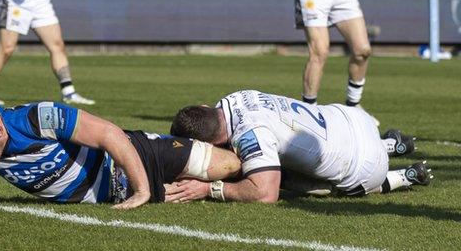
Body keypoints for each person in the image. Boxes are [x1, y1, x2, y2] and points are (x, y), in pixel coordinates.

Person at [0, 101, 241, 209]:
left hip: (139, 154)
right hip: (113, 193)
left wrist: (142, 191)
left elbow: (110, 134)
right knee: (199, 185)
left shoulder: (37, 118)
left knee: (234, 166)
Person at [167, 90, 433, 203]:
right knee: (276, 156)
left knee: (274, 175)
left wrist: (209, 188)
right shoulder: (235, 96)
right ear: (205, 107)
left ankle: (403, 176)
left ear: (209, 144)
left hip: (365, 164)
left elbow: (265, 194)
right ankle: (390, 144)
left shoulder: (250, 134)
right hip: (352, 118)